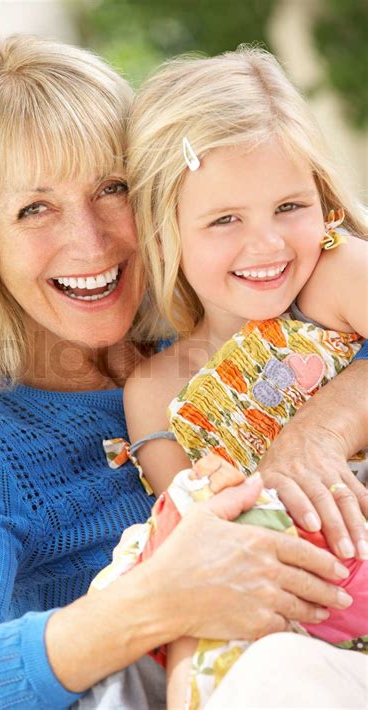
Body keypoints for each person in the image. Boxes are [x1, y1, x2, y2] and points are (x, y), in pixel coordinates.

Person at [0, 35, 368, 710]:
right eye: (35, 208)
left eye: (111, 189)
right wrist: (157, 601)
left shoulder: (228, 325)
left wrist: (322, 427)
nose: (89, 241)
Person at [95, 47, 368, 708]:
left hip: (350, 543)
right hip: (287, 601)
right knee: (168, 547)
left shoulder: (337, 273)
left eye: (290, 206)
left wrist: (323, 423)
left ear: (323, 200)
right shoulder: (156, 391)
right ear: (167, 230)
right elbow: (201, 548)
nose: (267, 245)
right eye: (224, 220)